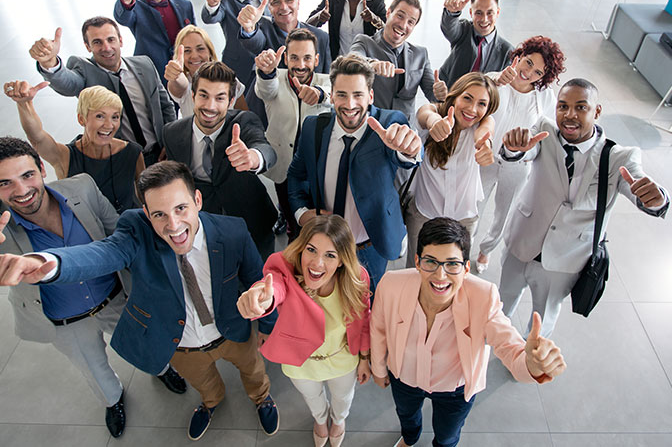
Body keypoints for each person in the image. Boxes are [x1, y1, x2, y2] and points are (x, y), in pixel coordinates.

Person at [0, 161, 280, 442]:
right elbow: (102, 254)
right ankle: (211, 402)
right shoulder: (135, 229)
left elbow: (257, 279)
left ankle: (261, 397)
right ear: (147, 214)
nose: (173, 225)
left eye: (181, 208)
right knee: (203, 382)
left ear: (198, 201)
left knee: (254, 371)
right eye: (159, 214)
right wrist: (47, 262)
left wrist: (266, 323)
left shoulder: (232, 231)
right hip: (181, 343)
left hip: (233, 332)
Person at [0, 137, 176, 439]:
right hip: (64, 321)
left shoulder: (82, 188)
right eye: (5, 183)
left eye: (27, 175)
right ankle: (113, 401)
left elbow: (118, 232)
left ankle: (164, 371)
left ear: (42, 170)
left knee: (148, 343)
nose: (22, 190)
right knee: (94, 368)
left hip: (115, 299)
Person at [371, 217, 567, 447]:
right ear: (417, 261)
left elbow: (509, 347)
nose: (440, 276)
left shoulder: (484, 296)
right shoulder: (391, 284)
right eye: (431, 262)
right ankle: (410, 438)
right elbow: (378, 328)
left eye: (452, 264)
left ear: (466, 268)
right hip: (404, 378)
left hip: (455, 390)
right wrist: (378, 368)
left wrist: (531, 365)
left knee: (447, 434)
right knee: (407, 417)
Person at [498, 78, 669, 337]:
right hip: (522, 241)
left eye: (581, 107)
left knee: (541, 320)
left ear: (596, 111)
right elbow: (522, 151)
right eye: (563, 106)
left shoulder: (619, 157)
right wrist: (513, 149)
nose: (569, 115)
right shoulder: (543, 130)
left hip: (565, 258)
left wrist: (657, 199)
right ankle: (491, 340)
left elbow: (638, 185)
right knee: (501, 303)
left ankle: (526, 357)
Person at [287, 53, 422, 292]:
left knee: (367, 307)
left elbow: (404, 151)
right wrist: (301, 213)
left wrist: (409, 150)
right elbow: (297, 176)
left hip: (368, 246)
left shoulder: (388, 123)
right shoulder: (313, 128)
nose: (350, 105)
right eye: (341, 95)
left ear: (370, 95)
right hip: (324, 246)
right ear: (331, 96)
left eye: (358, 95)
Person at [237, 215, 371, 447]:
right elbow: (273, 286)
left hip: (342, 358)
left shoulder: (356, 279)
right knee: (312, 397)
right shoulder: (285, 270)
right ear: (301, 249)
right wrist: (262, 296)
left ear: (341, 261)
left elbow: (364, 321)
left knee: (343, 398)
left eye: (330, 255)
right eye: (311, 250)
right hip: (300, 363)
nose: (317, 263)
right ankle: (320, 420)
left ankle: (338, 421)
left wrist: (365, 358)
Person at [162, 61, 278, 259]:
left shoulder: (244, 121)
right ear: (193, 96)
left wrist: (252, 158)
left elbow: (266, 150)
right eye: (204, 96)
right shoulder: (172, 133)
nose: (210, 106)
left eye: (220, 98)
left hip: (251, 222)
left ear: (231, 101)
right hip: (204, 225)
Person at [30, 16, 176, 166]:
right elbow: (68, 83)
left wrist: (170, 142)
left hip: (160, 154)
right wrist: (50, 63)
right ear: (88, 47)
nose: (106, 48)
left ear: (121, 40)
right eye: (97, 42)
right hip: (122, 162)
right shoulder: (84, 70)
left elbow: (165, 106)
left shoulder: (144, 64)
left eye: (111, 39)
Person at [474, 36, 565, 273]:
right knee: (474, 205)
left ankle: (486, 250)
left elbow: (551, 132)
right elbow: (477, 97)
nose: (529, 73)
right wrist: (495, 80)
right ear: (518, 57)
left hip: (517, 165)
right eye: (528, 63)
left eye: (538, 72)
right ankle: (464, 247)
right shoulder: (495, 80)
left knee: (504, 212)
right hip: (486, 157)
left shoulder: (544, 98)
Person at [4, 81, 144, 213]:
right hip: (88, 230)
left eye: (115, 117)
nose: (109, 125)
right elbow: (37, 137)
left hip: (128, 229)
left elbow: (145, 194)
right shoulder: (64, 155)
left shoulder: (132, 152)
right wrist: (24, 104)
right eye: (100, 116)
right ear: (81, 119)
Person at [405, 73, 499, 266]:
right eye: (467, 98)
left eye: (482, 104)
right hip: (424, 214)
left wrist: (486, 143)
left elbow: (486, 130)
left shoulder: (482, 125)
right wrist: (434, 123)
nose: (473, 109)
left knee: (454, 274)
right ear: (455, 95)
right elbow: (425, 114)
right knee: (417, 269)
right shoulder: (434, 111)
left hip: (463, 218)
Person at [254, 28, 331, 241]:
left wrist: (320, 94)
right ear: (285, 58)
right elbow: (265, 90)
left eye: (307, 58)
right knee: (292, 219)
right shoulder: (273, 78)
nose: (300, 65)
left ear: (316, 59)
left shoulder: (326, 81)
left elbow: (334, 95)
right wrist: (267, 72)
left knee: (317, 218)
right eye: (294, 58)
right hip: (283, 166)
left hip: (315, 169)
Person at [238, 0, 332, 127]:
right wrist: (249, 28)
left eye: (289, 0)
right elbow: (254, 42)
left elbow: (328, 78)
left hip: (308, 114)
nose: (283, 6)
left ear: (298, 2)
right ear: (269, 7)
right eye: (276, 2)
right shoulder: (262, 28)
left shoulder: (321, 37)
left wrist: (320, 94)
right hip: (268, 118)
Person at [350, 0, 436, 122]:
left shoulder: (420, 54)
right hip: (370, 127)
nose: (403, 25)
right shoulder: (364, 42)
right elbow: (352, 59)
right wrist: (372, 64)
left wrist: (440, 93)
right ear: (388, 13)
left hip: (404, 131)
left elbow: (432, 93)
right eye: (400, 16)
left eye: (410, 22)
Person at [114, 0, 196, 84]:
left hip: (185, 73)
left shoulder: (185, 5)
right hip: (154, 76)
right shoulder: (134, 8)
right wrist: (126, 1)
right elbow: (123, 17)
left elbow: (195, 39)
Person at [201, 0, 270, 86]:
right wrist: (211, 5)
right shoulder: (224, 3)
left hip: (266, 66)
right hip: (237, 68)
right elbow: (209, 18)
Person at [435, 0, 513, 96]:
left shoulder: (507, 51)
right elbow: (450, 28)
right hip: (451, 93)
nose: (484, 19)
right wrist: (452, 13)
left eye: (490, 13)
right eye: (479, 13)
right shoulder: (463, 30)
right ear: (471, 12)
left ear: (497, 12)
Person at [164, 25, 246, 118]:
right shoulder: (184, 83)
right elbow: (179, 85)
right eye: (187, 51)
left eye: (200, 49)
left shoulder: (230, 79)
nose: (194, 56)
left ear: (210, 51)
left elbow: (245, 117)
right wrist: (176, 77)